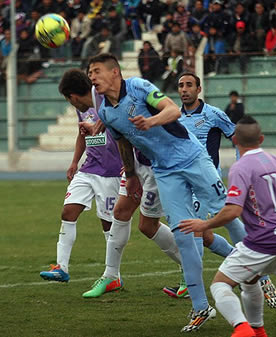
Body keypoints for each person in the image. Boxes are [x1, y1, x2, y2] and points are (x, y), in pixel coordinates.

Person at [83, 52, 227, 332]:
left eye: (96, 71)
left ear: (115, 72)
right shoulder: (105, 111)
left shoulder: (139, 86)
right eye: (89, 73)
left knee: (223, 219)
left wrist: (151, 122)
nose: (92, 76)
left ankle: (258, 273)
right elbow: (121, 137)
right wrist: (132, 174)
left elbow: (171, 110)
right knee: (185, 234)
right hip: (161, 170)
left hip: (192, 159)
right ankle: (200, 308)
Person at [56, 68, 184, 299]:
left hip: (153, 166)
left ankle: (216, 268)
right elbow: (108, 129)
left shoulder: (127, 93)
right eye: (92, 75)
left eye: (97, 73)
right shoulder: (99, 105)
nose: (95, 80)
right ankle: (110, 276)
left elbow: (128, 128)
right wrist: (93, 133)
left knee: (188, 228)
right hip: (131, 167)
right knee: (121, 214)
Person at [180, 115, 276, 337]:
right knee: (250, 281)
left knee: (219, 285)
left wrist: (205, 223)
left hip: (264, 240)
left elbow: (233, 211)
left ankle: (242, 329)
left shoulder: (241, 167)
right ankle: (258, 330)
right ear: (261, 138)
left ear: (235, 141)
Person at [163, 73, 276, 309]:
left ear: (199, 89)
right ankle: (254, 274)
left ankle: (258, 279)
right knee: (203, 236)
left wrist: (242, 169)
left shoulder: (213, 114)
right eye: (180, 86)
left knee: (197, 232)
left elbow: (237, 138)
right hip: (186, 187)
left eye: (189, 85)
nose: (184, 89)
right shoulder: (173, 117)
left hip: (208, 183)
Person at [40, 69, 122, 282]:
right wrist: (75, 161)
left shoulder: (106, 101)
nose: (72, 105)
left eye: (69, 100)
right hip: (88, 169)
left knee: (108, 225)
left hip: (112, 173)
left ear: (73, 96)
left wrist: (97, 134)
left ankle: (113, 275)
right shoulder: (83, 109)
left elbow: (113, 140)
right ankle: (62, 268)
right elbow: (86, 136)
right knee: (68, 212)